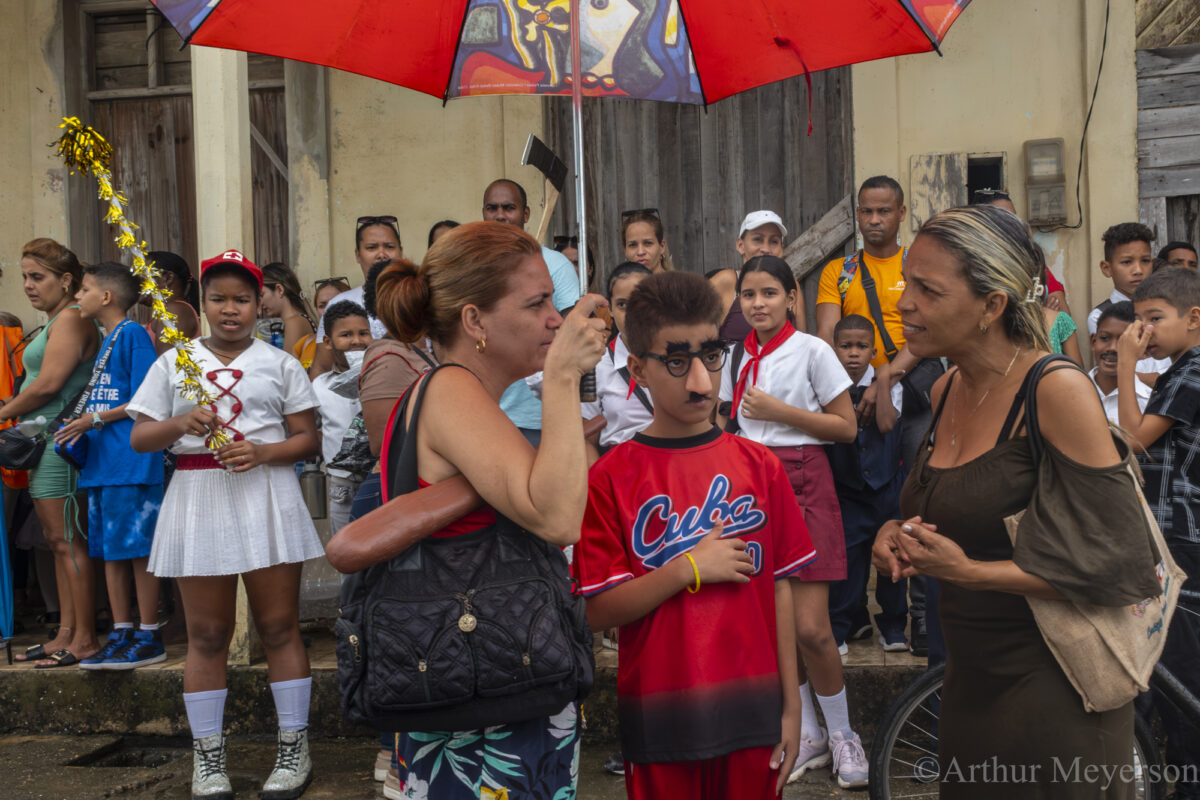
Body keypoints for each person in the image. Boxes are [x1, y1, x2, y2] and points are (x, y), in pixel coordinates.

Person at [873, 204, 1158, 799]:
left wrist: (969, 573)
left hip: (1057, 693)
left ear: (991, 305)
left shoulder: (1053, 390)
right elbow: (952, 506)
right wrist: (896, 530)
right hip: (968, 684)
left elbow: (1123, 567)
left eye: (927, 289)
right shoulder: (949, 384)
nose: (903, 303)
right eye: (906, 284)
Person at [367, 220, 606, 798]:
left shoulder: (453, 393)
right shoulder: (451, 390)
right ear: (474, 321)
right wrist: (563, 375)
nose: (556, 318)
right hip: (482, 704)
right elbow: (557, 517)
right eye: (537, 302)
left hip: (481, 681)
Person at [573, 270, 810, 799]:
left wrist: (792, 709)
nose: (702, 381)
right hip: (661, 719)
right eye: (676, 362)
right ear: (637, 369)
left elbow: (780, 587)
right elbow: (598, 609)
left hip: (754, 714)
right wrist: (686, 568)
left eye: (711, 356)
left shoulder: (761, 466)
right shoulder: (610, 478)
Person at [128, 249, 325, 800]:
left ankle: (294, 749)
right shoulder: (173, 362)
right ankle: (208, 760)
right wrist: (178, 422)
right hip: (197, 493)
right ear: (203, 303)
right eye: (219, 299)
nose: (231, 309)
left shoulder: (280, 362)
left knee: (280, 626)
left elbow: (308, 439)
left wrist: (263, 454)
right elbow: (140, 437)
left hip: (266, 494)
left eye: (242, 298)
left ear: (259, 302)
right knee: (208, 634)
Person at [716, 255, 869, 789]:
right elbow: (725, 422)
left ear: (791, 298)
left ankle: (845, 733)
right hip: (750, 489)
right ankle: (807, 731)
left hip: (804, 480)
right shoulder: (734, 355)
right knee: (778, 628)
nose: (758, 304)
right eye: (749, 294)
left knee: (812, 629)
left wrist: (779, 413)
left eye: (769, 294)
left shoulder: (813, 350)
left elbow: (846, 428)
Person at [816, 175, 939, 655]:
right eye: (866, 211)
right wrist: (852, 389)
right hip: (852, 389)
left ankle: (919, 617)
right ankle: (849, 616)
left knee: (918, 500)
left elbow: (928, 331)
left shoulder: (919, 267)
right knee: (854, 494)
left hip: (913, 386)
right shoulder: (840, 271)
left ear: (902, 214)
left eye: (884, 211)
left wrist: (885, 377)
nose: (873, 220)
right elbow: (827, 334)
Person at [1115, 267, 1200, 800]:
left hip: (1184, 536)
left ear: (1194, 318)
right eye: (1138, 320)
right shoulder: (1178, 370)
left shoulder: (1192, 373)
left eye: (1154, 319)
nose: (1142, 331)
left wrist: (1126, 363)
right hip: (1174, 531)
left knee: (1181, 671)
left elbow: (1133, 439)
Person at [54, 263, 165, 670]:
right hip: (104, 462)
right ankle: (121, 630)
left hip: (130, 461)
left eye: (84, 290)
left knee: (138, 550)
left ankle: (149, 632)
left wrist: (94, 420)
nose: (77, 296)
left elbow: (145, 398)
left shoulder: (133, 334)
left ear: (107, 297)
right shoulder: (107, 339)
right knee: (111, 552)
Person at [0, 238, 100, 668]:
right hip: (47, 443)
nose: (27, 285)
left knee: (67, 542)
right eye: (24, 276)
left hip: (61, 443)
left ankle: (85, 640)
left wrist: (2, 412)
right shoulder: (57, 319)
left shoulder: (73, 319)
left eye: (37, 277)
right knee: (58, 543)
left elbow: (48, 384)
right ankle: (66, 633)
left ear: (66, 280)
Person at [826, 314, 909, 653]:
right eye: (845, 347)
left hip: (886, 491)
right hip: (846, 491)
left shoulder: (889, 383)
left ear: (874, 350)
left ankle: (893, 626)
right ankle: (839, 629)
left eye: (862, 347)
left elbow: (887, 424)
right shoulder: (826, 385)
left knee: (892, 559)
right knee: (846, 564)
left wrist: (885, 380)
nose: (854, 354)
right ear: (834, 350)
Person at [481, 179, 582, 443]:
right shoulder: (473, 268)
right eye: (492, 208)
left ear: (525, 214)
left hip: (537, 416)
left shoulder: (556, 265)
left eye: (509, 208)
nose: (500, 216)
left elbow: (571, 331)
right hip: (483, 411)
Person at [311, 215, 402, 377]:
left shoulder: (418, 299)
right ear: (358, 255)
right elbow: (321, 367)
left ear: (400, 251)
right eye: (372, 247)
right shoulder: (339, 303)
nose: (381, 254)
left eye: (389, 246)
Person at [311, 300, 372, 536]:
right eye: (346, 334)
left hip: (376, 479)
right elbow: (313, 430)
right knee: (347, 554)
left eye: (363, 333)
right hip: (342, 486)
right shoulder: (320, 386)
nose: (356, 341)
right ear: (328, 342)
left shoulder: (382, 379)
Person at [583, 262, 653, 457]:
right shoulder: (593, 367)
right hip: (621, 476)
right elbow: (586, 442)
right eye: (622, 305)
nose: (632, 314)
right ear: (611, 309)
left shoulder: (680, 359)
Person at [710, 211, 807, 341]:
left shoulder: (791, 285)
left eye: (774, 241)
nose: (766, 248)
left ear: (781, 248)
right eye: (757, 239)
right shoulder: (727, 281)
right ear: (740, 245)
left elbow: (802, 343)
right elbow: (695, 337)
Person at [971, 189, 1069, 311]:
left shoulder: (1032, 262)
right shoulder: (970, 265)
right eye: (1004, 218)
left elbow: (1062, 313)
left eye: (1014, 217)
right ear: (980, 223)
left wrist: (1042, 316)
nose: (1014, 224)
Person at [1088, 301, 1151, 424]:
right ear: (1093, 341)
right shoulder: (1072, 393)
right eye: (1104, 338)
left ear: (1142, 347)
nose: (1112, 347)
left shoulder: (1149, 402)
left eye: (1123, 341)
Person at [1087, 222, 1155, 335]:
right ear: (1107, 268)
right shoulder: (1100, 316)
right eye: (1127, 262)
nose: (1138, 270)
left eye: (1145, 261)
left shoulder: (1163, 309)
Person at [260, 262, 318, 367]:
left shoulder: (294, 323)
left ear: (279, 289)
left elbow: (285, 370)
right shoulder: (298, 320)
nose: (260, 302)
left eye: (262, 295)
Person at [144, 251, 201, 356]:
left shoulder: (174, 311)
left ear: (168, 278)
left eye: (142, 276)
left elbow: (168, 367)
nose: (137, 282)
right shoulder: (170, 311)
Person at [621, 209, 673, 273]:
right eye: (633, 245)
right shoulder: (619, 282)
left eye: (648, 243)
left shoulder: (677, 282)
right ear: (625, 249)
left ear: (662, 246)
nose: (640, 252)